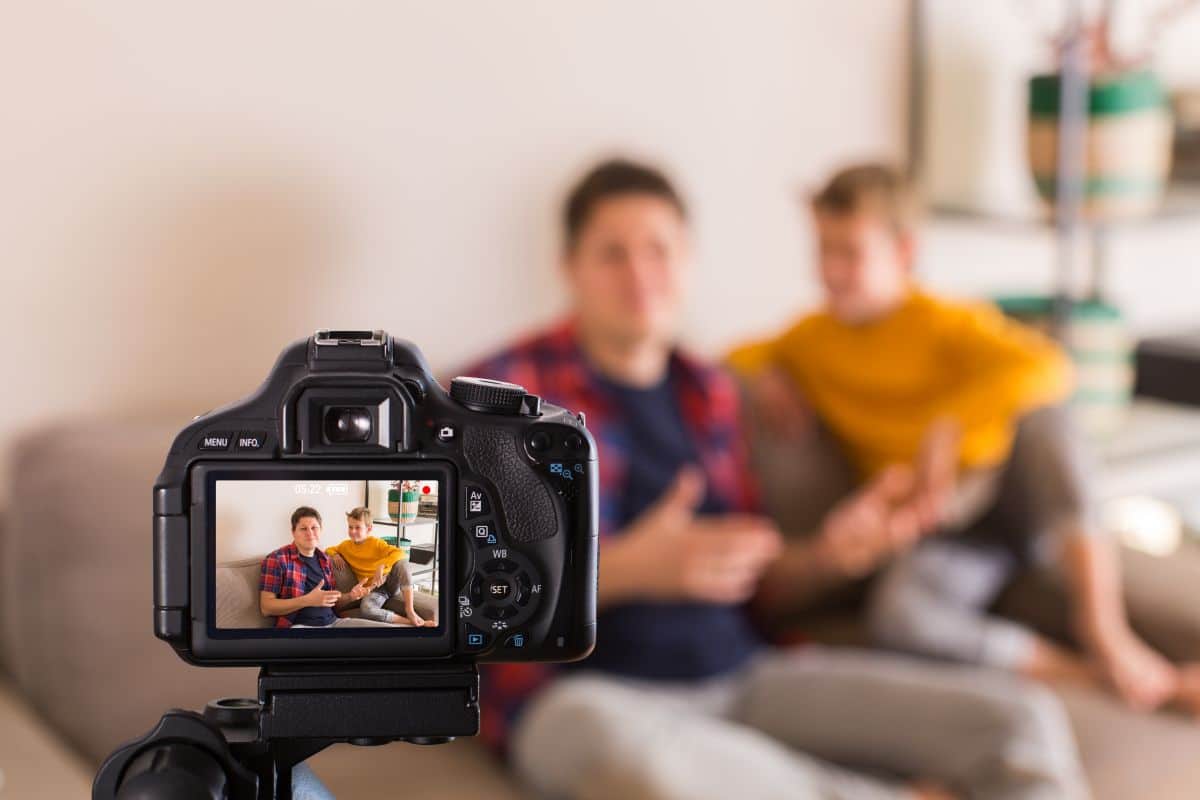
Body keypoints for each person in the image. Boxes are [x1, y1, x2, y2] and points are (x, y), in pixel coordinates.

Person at [460, 158, 1089, 799]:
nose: (640, 274)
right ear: (570, 267)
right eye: (612, 254)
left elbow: (758, 581)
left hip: (745, 676)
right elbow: (433, 598)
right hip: (585, 699)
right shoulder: (498, 399)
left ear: (688, 261)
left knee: (1020, 721)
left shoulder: (713, 393)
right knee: (638, 766)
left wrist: (831, 554)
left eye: (659, 250)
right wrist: (622, 571)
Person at [728, 163, 1200, 714]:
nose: (832, 271)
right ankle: (1096, 677)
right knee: (900, 617)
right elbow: (729, 360)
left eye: (851, 254)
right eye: (823, 251)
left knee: (1049, 423)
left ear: (904, 253)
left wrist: (944, 427)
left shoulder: (943, 322)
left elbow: (1050, 368)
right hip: (946, 535)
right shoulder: (811, 340)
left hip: (1011, 498)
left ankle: (1105, 630)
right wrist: (770, 375)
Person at [258, 506, 392, 628]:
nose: (310, 533)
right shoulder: (277, 559)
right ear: (293, 532)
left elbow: (333, 601)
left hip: (334, 623)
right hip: (300, 626)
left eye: (314, 528)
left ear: (320, 530)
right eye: (303, 529)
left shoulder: (325, 559)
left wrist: (350, 596)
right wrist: (306, 601)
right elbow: (266, 607)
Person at [326, 506, 436, 627]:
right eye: (350, 527)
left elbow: (400, 552)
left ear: (369, 529)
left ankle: (410, 611)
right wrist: (336, 555)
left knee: (402, 563)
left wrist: (381, 565)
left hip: (390, 582)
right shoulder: (345, 546)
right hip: (375, 590)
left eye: (358, 527)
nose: (353, 531)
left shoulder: (376, 543)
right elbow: (329, 549)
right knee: (366, 609)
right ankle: (411, 622)